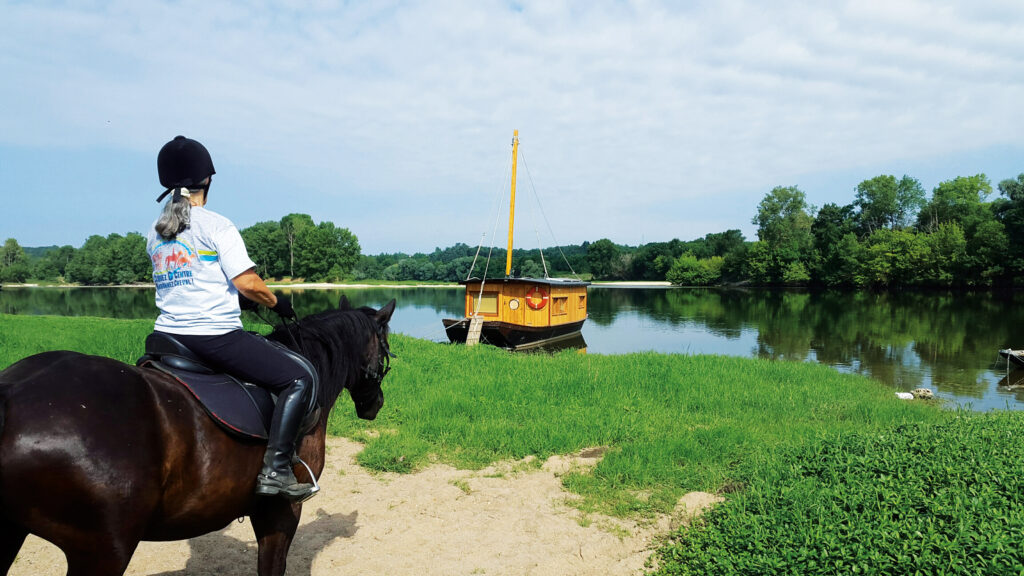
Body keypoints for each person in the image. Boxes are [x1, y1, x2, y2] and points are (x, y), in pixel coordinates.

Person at [146, 135, 314, 500]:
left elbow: (191, 280)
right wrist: (275, 302)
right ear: (207, 181)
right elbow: (247, 282)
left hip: (165, 337)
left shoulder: (155, 233)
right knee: (298, 378)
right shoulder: (217, 226)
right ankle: (276, 472)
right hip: (213, 337)